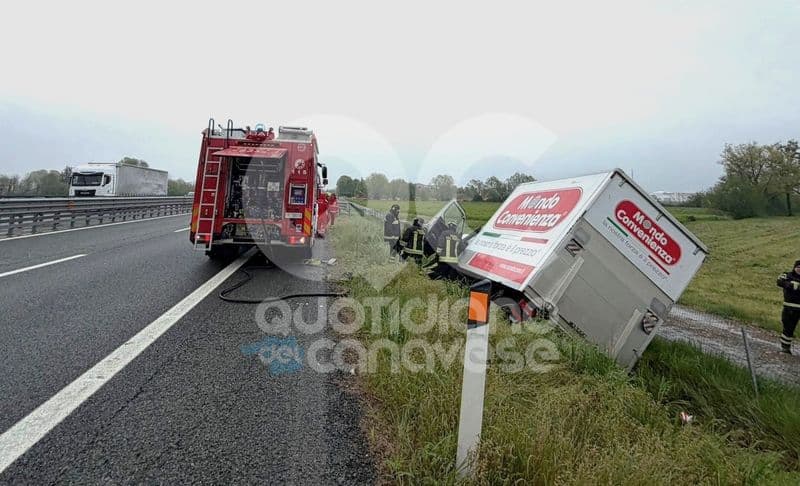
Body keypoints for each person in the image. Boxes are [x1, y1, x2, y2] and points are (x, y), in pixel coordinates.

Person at [777, 260, 800, 354]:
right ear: (794, 267)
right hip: (789, 308)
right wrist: (792, 285)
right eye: (798, 267)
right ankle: (785, 348)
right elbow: (779, 281)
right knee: (788, 328)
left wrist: (794, 286)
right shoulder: (787, 275)